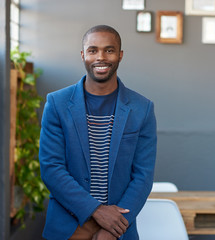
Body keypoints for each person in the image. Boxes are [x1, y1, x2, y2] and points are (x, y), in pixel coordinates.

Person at [39, 25, 157, 240]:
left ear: (120, 55)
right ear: (83, 55)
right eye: (93, 50)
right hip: (69, 227)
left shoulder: (142, 108)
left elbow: (143, 176)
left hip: (117, 230)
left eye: (109, 50)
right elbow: (51, 168)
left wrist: (114, 227)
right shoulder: (57, 103)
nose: (100, 57)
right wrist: (97, 211)